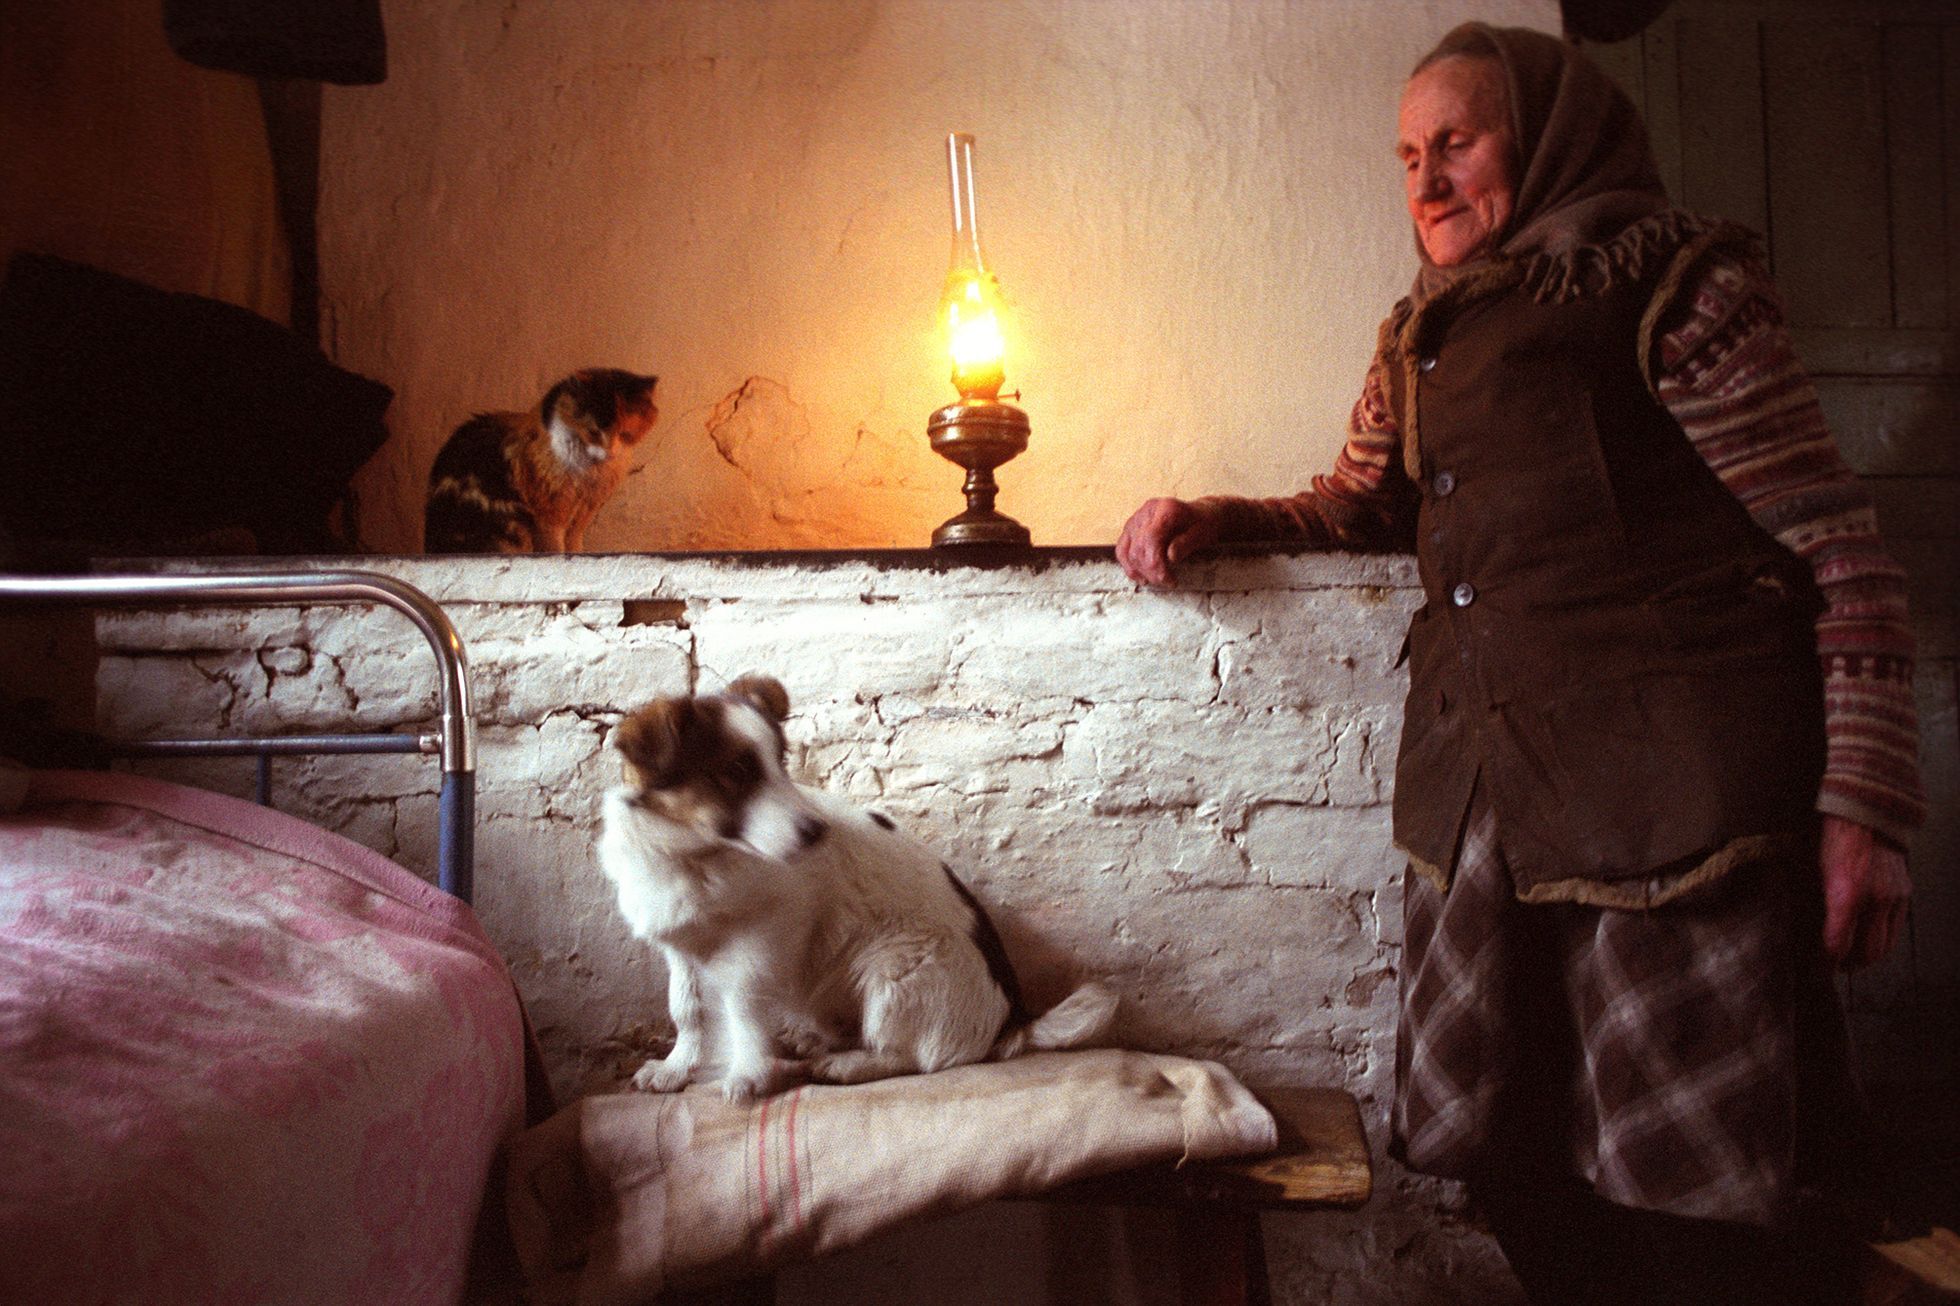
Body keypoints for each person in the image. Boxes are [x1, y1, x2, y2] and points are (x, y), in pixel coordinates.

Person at [1117, 22, 1924, 1306]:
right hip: (1491, 806)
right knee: (1507, 1152)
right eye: (1405, 156)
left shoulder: (1674, 287)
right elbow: (1359, 502)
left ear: (1542, 138)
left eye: (1457, 142)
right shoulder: (1418, 336)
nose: (1427, 180)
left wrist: (1864, 810)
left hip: (1670, 813)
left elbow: (1838, 546)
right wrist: (1225, 518)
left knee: (1690, 1191)